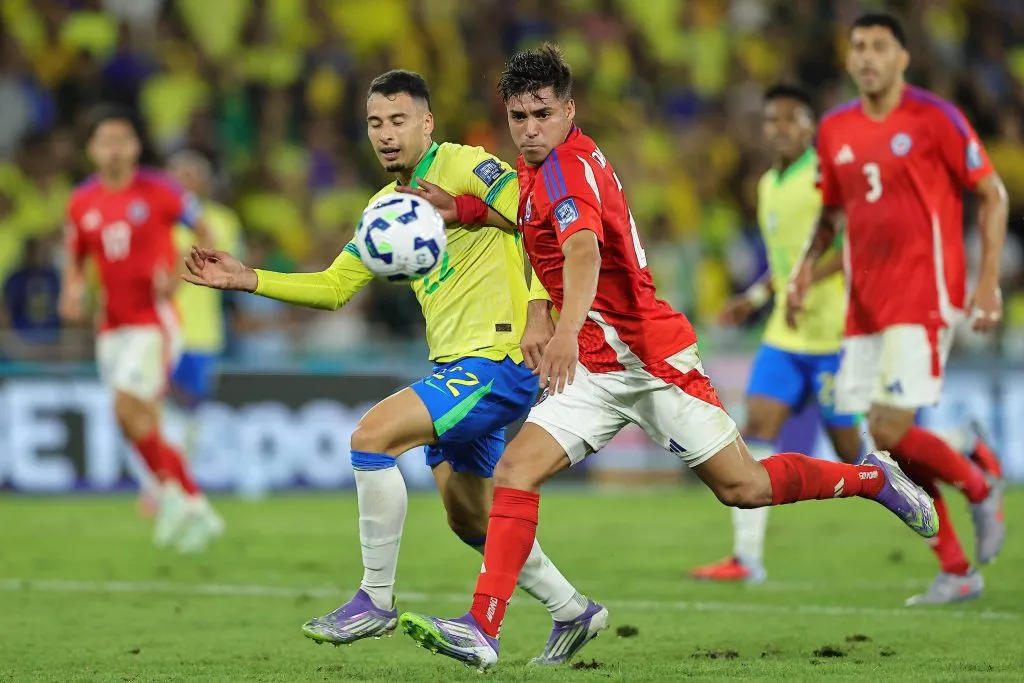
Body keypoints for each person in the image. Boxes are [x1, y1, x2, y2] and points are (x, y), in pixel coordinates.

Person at [396, 43, 938, 672]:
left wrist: (563, 329)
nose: (530, 128)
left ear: (569, 110)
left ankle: (873, 478)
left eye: (543, 114)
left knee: (745, 487)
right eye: (519, 117)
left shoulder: (568, 170)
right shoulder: (540, 168)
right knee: (517, 470)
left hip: (651, 362)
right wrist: (465, 210)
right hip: (597, 369)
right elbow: (528, 218)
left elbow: (582, 252)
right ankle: (483, 627)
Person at [180, 70, 604, 664]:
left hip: (502, 357)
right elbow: (335, 286)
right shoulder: (384, 209)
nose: (385, 134)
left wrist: (538, 308)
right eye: (375, 123)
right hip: (457, 361)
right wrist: (248, 278)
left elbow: (540, 219)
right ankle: (572, 609)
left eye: (398, 120)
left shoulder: (466, 165)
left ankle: (374, 599)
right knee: (469, 518)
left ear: (426, 123)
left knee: (371, 436)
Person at [787, 13, 1009, 606]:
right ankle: (957, 565)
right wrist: (805, 270)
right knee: (887, 448)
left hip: (925, 293)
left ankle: (977, 485)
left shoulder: (935, 118)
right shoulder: (835, 128)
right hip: (864, 305)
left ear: (903, 58)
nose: (866, 57)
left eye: (879, 46)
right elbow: (832, 215)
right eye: (858, 46)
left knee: (888, 429)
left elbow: (992, 193)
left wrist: (988, 280)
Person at [690, 85, 861, 584]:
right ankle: (747, 559)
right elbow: (784, 265)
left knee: (855, 452)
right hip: (785, 334)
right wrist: (754, 296)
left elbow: (854, 246)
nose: (779, 128)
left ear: (810, 127)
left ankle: (955, 451)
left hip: (833, 335)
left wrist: (810, 278)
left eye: (790, 119)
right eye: (772, 120)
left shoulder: (825, 177)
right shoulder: (767, 185)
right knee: (758, 428)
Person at [59, 105, 224, 553]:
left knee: (126, 405)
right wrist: (72, 289)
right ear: (91, 149)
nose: (114, 150)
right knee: (134, 420)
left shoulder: (160, 190)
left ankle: (177, 498)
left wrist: (183, 272)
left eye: (122, 140)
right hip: (110, 325)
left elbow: (204, 229)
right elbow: (76, 255)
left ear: (135, 146)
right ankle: (188, 502)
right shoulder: (81, 201)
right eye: (105, 142)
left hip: (154, 321)